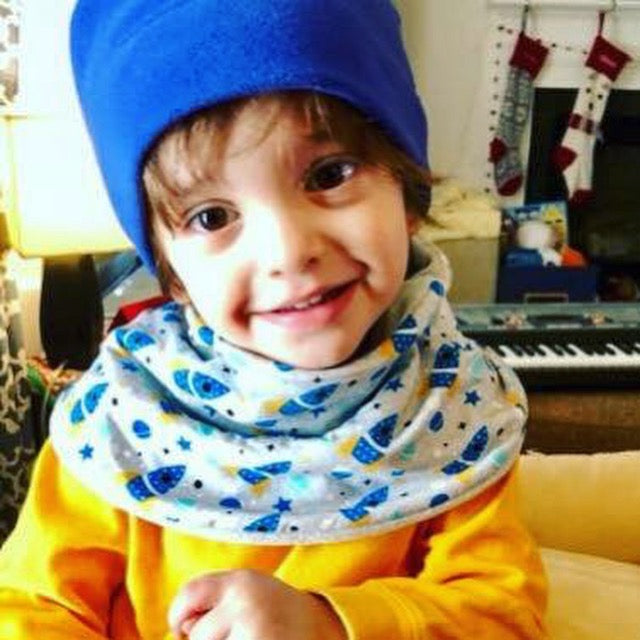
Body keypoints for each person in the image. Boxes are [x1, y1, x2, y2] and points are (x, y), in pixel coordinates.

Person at [0, 1, 548, 638]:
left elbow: (504, 614)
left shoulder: (453, 405)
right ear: (172, 274)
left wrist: (331, 623)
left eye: (329, 174)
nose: (288, 252)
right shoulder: (122, 415)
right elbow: (31, 608)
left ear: (408, 193)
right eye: (212, 217)